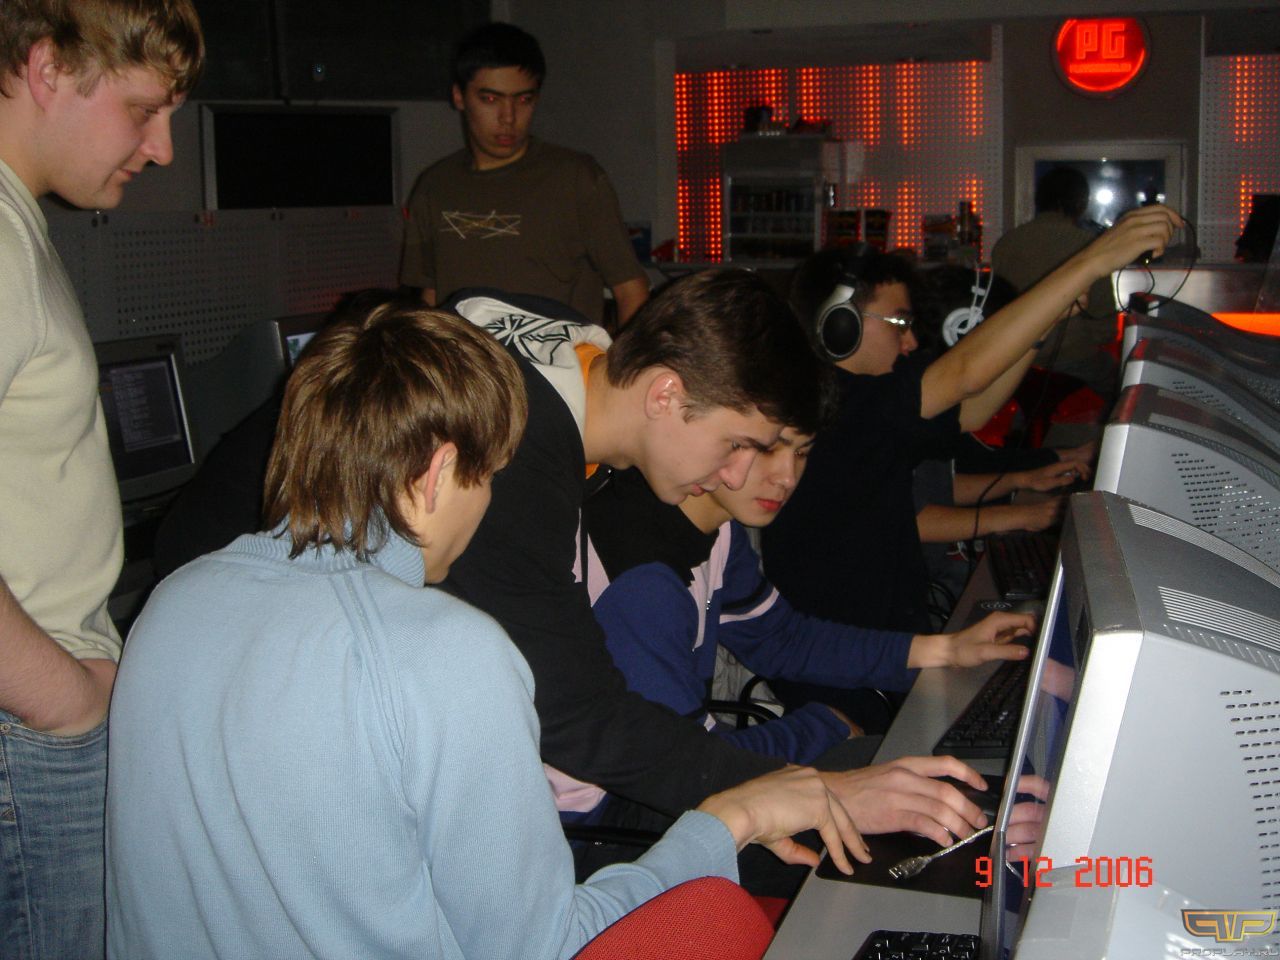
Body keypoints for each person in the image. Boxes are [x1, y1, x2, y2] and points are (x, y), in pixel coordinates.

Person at [106, 301, 865, 960]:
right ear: (439, 473)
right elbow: (546, 945)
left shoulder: (173, 607)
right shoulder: (453, 653)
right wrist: (728, 821)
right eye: (489, 476)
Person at [442, 273, 1001, 859]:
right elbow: (579, 717)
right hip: (529, 832)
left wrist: (938, 655)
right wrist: (817, 793)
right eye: (737, 445)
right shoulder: (514, 480)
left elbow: (468, 300)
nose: (737, 476)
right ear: (664, 394)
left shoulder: (559, 349)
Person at [0, 3, 203, 957]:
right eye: (142, 111)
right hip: (27, 727)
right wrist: (64, 699)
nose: (162, 150)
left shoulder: (18, 222)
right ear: (47, 68)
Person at [763, 208, 1181, 642]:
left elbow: (974, 410)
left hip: (886, 640)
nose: (910, 340)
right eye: (899, 323)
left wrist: (1047, 323)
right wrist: (1093, 260)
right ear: (839, 325)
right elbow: (964, 374)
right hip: (856, 657)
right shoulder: (836, 406)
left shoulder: (858, 402)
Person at [399, 22, 649, 327]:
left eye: (523, 100)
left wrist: (625, 359)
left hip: (560, 358)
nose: (508, 118)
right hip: (465, 357)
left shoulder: (576, 179)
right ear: (459, 96)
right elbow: (429, 296)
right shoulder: (434, 185)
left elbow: (631, 291)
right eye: (490, 99)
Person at [990, 166, 1120, 397]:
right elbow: (1105, 326)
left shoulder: (1007, 243)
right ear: (1081, 202)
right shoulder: (1089, 246)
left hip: (1014, 362)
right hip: (1074, 363)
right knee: (1124, 387)